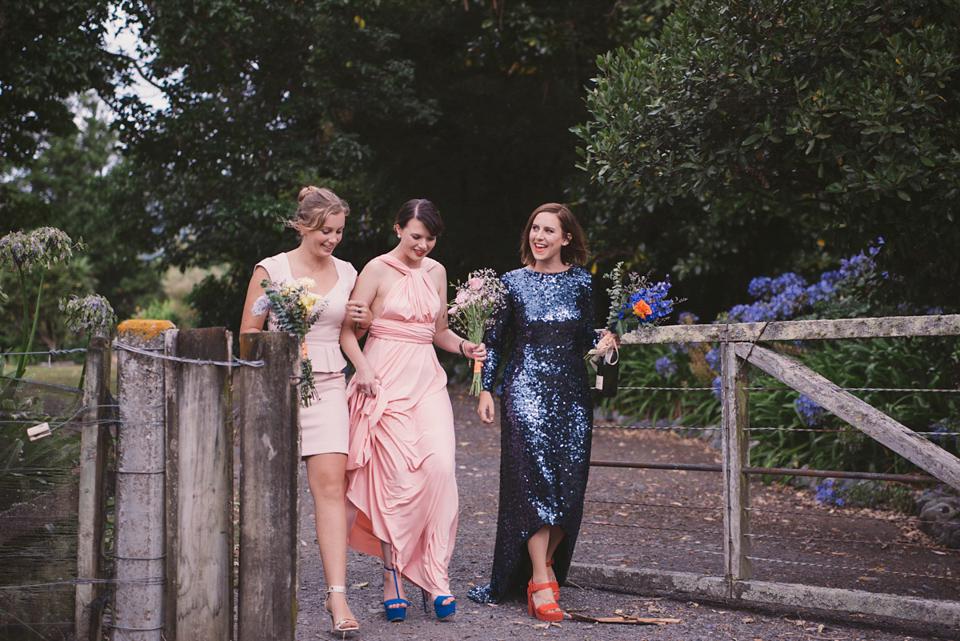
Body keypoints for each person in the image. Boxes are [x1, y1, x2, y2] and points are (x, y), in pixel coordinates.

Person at [339, 198, 486, 623]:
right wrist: (363, 369)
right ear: (398, 229)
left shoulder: (437, 271)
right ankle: (393, 576)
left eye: (431, 238)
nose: (423, 245)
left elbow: (437, 331)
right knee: (395, 481)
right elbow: (349, 332)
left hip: (426, 382)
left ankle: (435, 574)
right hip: (382, 380)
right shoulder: (376, 269)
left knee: (440, 468)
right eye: (416, 236)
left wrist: (465, 347)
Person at [467, 203, 614, 621]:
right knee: (533, 485)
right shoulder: (511, 283)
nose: (539, 236)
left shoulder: (583, 283)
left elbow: (586, 336)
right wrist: (486, 389)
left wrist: (606, 339)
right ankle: (540, 582)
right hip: (525, 390)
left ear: (567, 239)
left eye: (549, 230)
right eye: (535, 228)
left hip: (571, 393)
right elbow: (494, 341)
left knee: (569, 488)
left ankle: (544, 566)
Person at [240, 186, 368, 636]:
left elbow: (351, 331)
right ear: (302, 225)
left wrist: (363, 320)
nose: (332, 238)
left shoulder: (349, 272)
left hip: (330, 385)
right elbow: (247, 335)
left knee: (331, 488)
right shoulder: (270, 270)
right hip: (277, 388)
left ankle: (338, 595)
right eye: (324, 230)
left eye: (338, 231)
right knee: (270, 492)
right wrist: (285, 348)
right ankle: (266, 588)